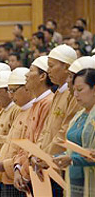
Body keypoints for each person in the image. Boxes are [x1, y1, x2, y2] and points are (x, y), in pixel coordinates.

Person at [34, 45, 81, 196]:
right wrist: (38, 153)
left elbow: (64, 131)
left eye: (51, 66)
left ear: (66, 67)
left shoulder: (73, 94)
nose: (48, 71)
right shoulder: (57, 92)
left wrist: (45, 156)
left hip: (59, 163)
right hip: (47, 161)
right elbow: (46, 129)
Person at [0, 67, 34, 197]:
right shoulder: (18, 110)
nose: (11, 95)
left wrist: (10, 165)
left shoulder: (22, 110)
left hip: (19, 174)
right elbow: (10, 143)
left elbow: (25, 147)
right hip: (7, 173)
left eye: (12, 91)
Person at [13, 56, 54, 192]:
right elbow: (26, 142)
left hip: (38, 171)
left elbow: (39, 143)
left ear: (42, 76)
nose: (26, 74)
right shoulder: (37, 102)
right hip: (28, 170)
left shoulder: (48, 102)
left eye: (31, 71)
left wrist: (23, 172)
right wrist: (18, 167)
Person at [53, 68, 95, 197]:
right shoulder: (79, 115)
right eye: (74, 90)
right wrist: (53, 159)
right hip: (75, 181)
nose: (75, 94)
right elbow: (73, 149)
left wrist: (72, 159)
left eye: (80, 89)